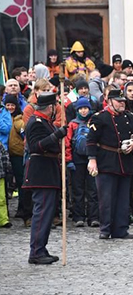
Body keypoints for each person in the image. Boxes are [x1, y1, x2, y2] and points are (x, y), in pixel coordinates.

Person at [86, 89, 133, 239]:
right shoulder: (100, 118)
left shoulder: (130, 117)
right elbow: (91, 140)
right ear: (109, 101)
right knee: (107, 199)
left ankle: (121, 229)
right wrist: (92, 159)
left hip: (125, 161)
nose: (122, 104)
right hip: (107, 162)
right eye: (118, 101)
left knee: (123, 199)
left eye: (123, 101)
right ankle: (105, 229)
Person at [23, 92, 68, 264]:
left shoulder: (45, 122)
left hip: (48, 171)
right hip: (41, 172)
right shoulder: (36, 122)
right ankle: (36, 252)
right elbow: (35, 146)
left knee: (47, 213)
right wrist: (57, 135)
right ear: (50, 108)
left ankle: (41, 247)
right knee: (41, 213)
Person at [65, 97, 99, 227]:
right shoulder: (72, 124)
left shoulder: (94, 122)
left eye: (85, 108)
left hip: (92, 159)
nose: (83, 111)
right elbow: (67, 143)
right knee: (77, 189)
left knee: (93, 189)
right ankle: (78, 216)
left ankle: (93, 216)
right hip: (77, 160)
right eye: (81, 109)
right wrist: (68, 160)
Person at [4, 95, 26, 220]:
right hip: (6, 153)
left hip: (17, 154)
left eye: (12, 105)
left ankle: (22, 208)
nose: (10, 107)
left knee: (20, 181)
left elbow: (24, 136)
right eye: (8, 105)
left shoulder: (19, 120)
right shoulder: (4, 118)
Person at [0, 141, 12, 228]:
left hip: (0, 175)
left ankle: (3, 219)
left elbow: (4, 156)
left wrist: (7, 168)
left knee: (2, 198)